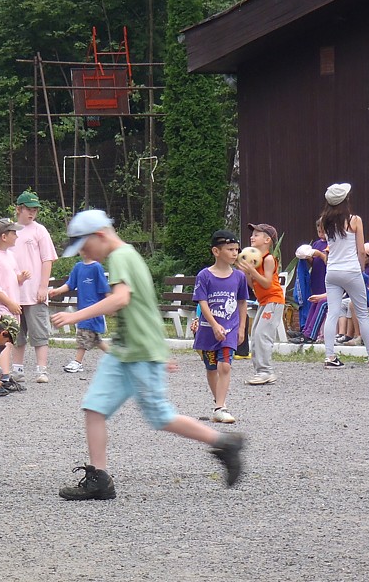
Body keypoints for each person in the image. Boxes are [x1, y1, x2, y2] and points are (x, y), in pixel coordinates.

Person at [52, 210, 244, 500]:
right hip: (126, 350)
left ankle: (224, 443)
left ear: (100, 235)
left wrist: (74, 316)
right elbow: (142, 306)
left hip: (139, 352)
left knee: (160, 416)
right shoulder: (125, 256)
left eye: (85, 247)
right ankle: (99, 479)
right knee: (94, 408)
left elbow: (121, 299)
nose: (86, 254)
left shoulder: (120, 257)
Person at [319, 183, 369, 368]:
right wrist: (362, 270)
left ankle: (330, 356)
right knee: (362, 312)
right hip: (351, 269)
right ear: (345, 200)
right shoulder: (355, 220)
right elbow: (361, 250)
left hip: (332, 271)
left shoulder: (324, 221)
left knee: (332, 313)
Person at [192, 230, 248, 424]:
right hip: (208, 330)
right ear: (216, 251)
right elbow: (202, 301)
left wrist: (241, 328)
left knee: (225, 366)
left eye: (236, 249)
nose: (235, 253)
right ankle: (219, 402)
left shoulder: (239, 277)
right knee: (211, 367)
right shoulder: (204, 276)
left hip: (230, 330)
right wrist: (214, 325)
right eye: (230, 249)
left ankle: (220, 407)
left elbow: (242, 302)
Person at [9, 190, 58, 384]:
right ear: (18, 209)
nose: (32, 214)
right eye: (28, 210)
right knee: (16, 333)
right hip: (14, 293)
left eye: (35, 210)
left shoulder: (40, 230)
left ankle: (41, 370)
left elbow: (47, 259)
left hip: (34, 291)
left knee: (39, 332)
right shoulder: (10, 230)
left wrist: (43, 287)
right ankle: (17, 369)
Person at [0, 217, 30, 388]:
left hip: (12, 306)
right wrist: (10, 303)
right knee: (5, 341)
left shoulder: (9, 256)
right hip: (2, 307)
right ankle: (3, 376)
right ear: (4, 237)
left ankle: (3, 375)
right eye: (13, 233)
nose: (16, 236)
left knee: (9, 341)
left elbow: (10, 280)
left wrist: (21, 278)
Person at [236, 223, 285, 385]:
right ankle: (260, 372)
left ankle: (266, 371)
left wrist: (252, 271)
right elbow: (254, 285)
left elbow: (266, 283)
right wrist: (246, 273)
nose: (252, 237)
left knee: (262, 335)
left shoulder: (269, 259)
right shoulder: (256, 261)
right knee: (256, 335)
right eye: (253, 234)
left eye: (257, 234)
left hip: (274, 300)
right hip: (264, 301)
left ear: (267, 240)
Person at [49, 250, 111, 373]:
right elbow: (70, 284)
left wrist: (110, 303)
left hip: (93, 310)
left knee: (83, 333)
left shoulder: (97, 267)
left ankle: (77, 362)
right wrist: (57, 291)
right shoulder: (78, 267)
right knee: (95, 339)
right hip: (82, 309)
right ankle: (116, 358)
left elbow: (104, 288)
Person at [290, 221, 328, 345]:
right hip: (316, 277)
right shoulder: (317, 244)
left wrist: (320, 255)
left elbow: (329, 262)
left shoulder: (331, 245)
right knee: (313, 303)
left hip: (326, 279)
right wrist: (309, 257)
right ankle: (305, 329)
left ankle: (311, 333)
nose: (321, 234)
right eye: (319, 231)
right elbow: (315, 263)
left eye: (323, 231)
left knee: (320, 303)